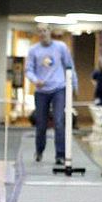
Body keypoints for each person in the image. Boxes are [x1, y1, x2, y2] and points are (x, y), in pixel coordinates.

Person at [26, 23, 78, 164]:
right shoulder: (33, 50)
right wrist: (35, 80)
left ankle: (60, 155)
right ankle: (39, 150)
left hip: (59, 88)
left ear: (50, 31)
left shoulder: (60, 47)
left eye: (45, 30)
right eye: (40, 31)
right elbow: (28, 70)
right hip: (41, 91)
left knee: (59, 121)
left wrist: (74, 85)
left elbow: (69, 66)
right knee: (41, 123)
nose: (43, 33)